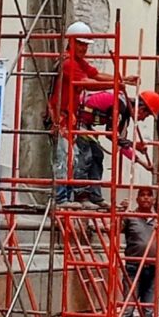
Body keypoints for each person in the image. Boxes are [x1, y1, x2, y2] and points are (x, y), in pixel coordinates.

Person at [47, 23, 102, 205]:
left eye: (86, 45)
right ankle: (62, 198)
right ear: (71, 42)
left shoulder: (77, 62)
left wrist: (120, 79)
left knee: (75, 156)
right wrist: (117, 84)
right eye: (80, 44)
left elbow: (96, 75)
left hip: (68, 118)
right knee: (64, 157)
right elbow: (88, 82)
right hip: (58, 118)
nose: (84, 48)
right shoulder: (69, 63)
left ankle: (70, 195)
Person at [116, 187, 158, 317]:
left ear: (154, 200)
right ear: (137, 198)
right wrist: (120, 212)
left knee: (148, 310)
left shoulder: (157, 220)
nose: (146, 198)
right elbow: (115, 229)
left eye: (150, 195)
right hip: (133, 268)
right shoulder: (130, 217)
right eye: (143, 195)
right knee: (128, 308)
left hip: (152, 268)